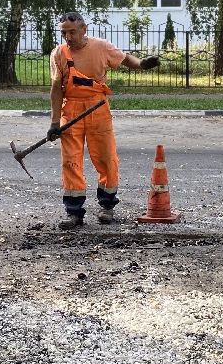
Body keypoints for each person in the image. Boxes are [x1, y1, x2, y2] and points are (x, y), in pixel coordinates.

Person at [48, 12, 160, 228]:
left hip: (97, 108)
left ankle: (107, 206)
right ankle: (74, 212)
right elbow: (56, 89)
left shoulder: (101, 47)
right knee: (70, 161)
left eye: (72, 32)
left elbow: (124, 58)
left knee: (106, 158)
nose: (68, 37)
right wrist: (54, 122)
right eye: (64, 33)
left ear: (84, 29)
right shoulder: (59, 53)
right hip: (70, 111)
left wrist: (142, 64)